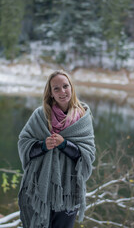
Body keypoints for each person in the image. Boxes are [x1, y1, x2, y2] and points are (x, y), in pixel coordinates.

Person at [18, 70, 95, 228]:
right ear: (51, 93)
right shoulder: (40, 115)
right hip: (39, 188)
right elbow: (24, 144)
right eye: (56, 88)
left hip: (68, 191)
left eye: (65, 86)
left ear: (71, 88)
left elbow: (87, 155)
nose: (62, 91)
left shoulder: (83, 118)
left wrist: (64, 144)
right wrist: (43, 146)